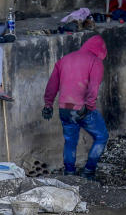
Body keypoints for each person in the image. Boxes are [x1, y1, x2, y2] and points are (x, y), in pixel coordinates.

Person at [41, 35, 109, 179]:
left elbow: (52, 84)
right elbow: (94, 87)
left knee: (70, 141)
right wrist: (89, 105)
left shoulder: (65, 59)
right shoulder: (95, 62)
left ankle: (69, 173)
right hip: (82, 108)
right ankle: (89, 171)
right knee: (102, 136)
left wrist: (48, 104)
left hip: (64, 108)